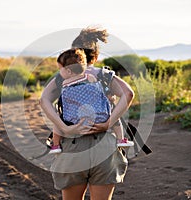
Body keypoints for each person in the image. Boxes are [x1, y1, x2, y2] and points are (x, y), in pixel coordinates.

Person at [40, 27, 135, 200]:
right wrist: (109, 122)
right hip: (104, 145)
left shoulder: (63, 77)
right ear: (96, 56)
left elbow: (44, 100)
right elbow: (128, 94)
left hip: (73, 146)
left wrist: (64, 128)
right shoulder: (104, 75)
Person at [49, 48, 133, 154]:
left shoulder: (64, 83)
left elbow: (45, 100)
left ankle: (56, 145)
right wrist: (109, 97)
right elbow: (106, 92)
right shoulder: (91, 78)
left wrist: (65, 128)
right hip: (99, 118)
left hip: (74, 120)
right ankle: (121, 139)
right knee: (114, 114)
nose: (59, 72)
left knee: (57, 121)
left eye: (60, 69)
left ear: (69, 71)